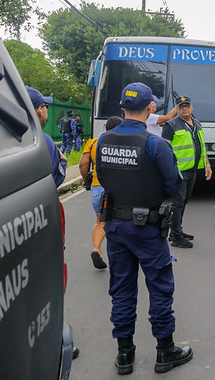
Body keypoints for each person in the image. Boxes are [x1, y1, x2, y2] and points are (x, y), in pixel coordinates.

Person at [95, 82, 192, 374]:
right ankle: (165, 351)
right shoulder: (155, 144)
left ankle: (125, 354)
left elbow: (102, 177)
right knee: (160, 288)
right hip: (148, 228)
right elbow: (174, 184)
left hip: (116, 227)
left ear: (122, 106)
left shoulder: (103, 140)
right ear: (151, 107)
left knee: (122, 290)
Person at [162, 95, 212, 248]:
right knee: (178, 203)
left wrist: (207, 165)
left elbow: (202, 147)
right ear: (177, 109)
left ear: (191, 107)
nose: (184, 108)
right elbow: (165, 149)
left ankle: (177, 230)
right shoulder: (171, 125)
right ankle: (176, 237)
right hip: (178, 171)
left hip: (193, 170)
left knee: (184, 201)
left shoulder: (196, 123)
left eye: (186, 106)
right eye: (181, 106)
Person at [80, 115, 123, 270]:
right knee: (121, 221)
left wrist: (86, 180)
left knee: (101, 222)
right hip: (118, 187)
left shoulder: (93, 143)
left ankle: (96, 248)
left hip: (98, 187)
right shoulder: (124, 142)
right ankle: (120, 256)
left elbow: (83, 164)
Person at [26, 87, 67, 187]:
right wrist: (62, 161)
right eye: (46, 106)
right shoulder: (44, 141)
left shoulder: (9, 139)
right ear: (39, 110)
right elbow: (55, 179)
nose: (46, 109)